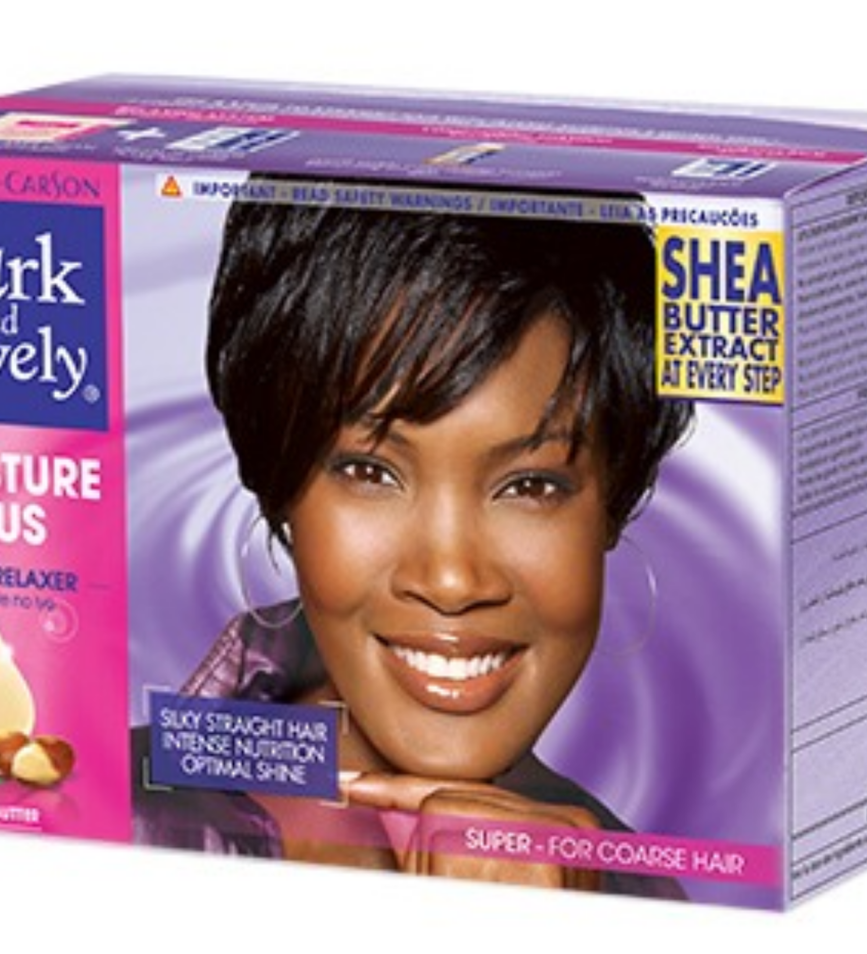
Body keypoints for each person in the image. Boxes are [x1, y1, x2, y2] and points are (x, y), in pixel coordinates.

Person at [133, 198, 692, 894]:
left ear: (614, 499)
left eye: (530, 485)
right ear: (280, 486)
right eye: (370, 473)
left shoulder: (636, 892)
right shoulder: (94, 819)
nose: (453, 580)